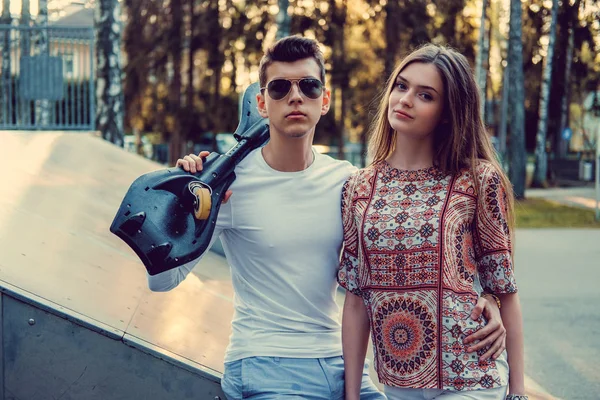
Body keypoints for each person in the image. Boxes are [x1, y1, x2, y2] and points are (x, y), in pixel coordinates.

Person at [150, 36, 506, 400]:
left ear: (325, 100)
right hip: (265, 365)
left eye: (308, 85)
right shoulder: (229, 186)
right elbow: (163, 282)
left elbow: (419, 249)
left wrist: (489, 298)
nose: (295, 97)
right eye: (279, 88)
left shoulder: (348, 181)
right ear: (261, 103)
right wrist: (184, 210)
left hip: (338, 365)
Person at [338, 44, 526, 400]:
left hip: (471, 374)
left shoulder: (476, 179)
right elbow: (355, 299)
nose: (405, 99)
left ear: (446, 113)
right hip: (398, 381)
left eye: (425, 95)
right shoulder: (358, 187)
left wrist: (517, 392)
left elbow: (505, 289)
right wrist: (352, 395)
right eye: (401, 86)